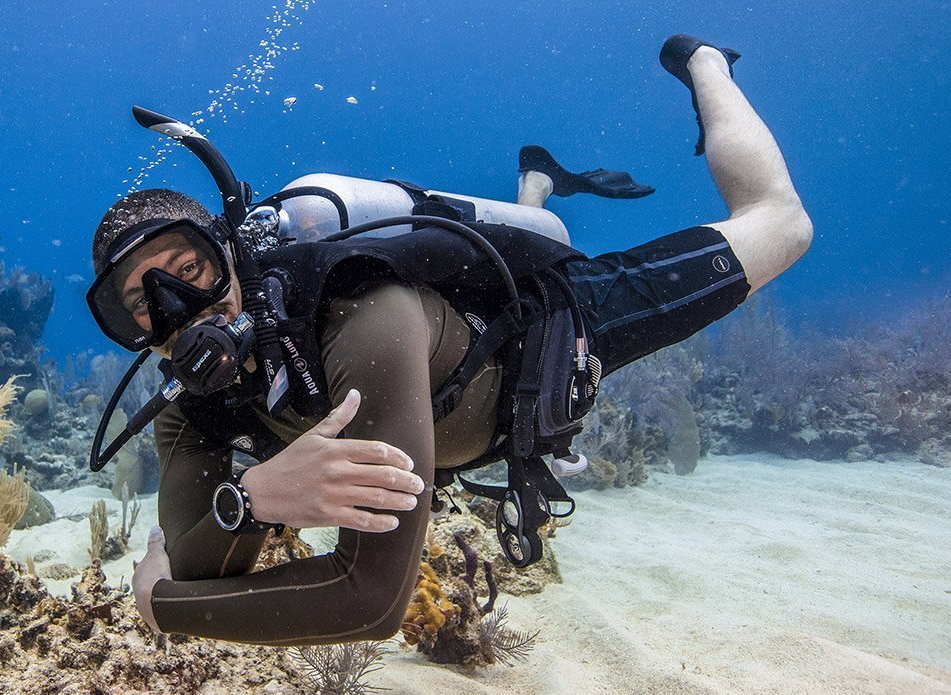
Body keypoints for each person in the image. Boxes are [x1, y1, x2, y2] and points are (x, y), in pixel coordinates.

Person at [92, 35, 812, 646]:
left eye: (191, 271)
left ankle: (704, 62)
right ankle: (534, 185)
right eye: (142, 307)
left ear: (232, 252)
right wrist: (248, 500)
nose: (181, 311)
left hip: (544, 340)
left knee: (780, 225)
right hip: (450, 406)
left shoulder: (359, 315)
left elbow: (370, 600)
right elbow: (197, 562)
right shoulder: (193, 407)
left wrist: (160, 608)